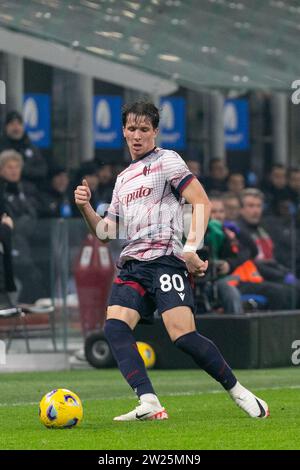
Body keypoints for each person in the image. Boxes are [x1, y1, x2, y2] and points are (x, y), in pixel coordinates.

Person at [74, 102, 269, 421]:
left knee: (183, 336)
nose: (137, 136)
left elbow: (201, 202)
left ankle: (240, 392)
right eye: (131, 129)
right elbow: (106, 231)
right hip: (132, 265)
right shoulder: (122, 179)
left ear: (155, 132)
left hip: (165, 260)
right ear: (123, 131)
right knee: (114, 327)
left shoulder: (167, 161)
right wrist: (85, 208)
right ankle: (148, 401)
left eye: (144, 130)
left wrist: (191, 247)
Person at [0, 111, 47, 188]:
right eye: (12, 124)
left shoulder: (32, 148)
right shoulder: (2, 147)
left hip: (30, 191)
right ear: (5, 127)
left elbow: (42, 170)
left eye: (19, 124)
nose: (16, 127)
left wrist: (22, 170)